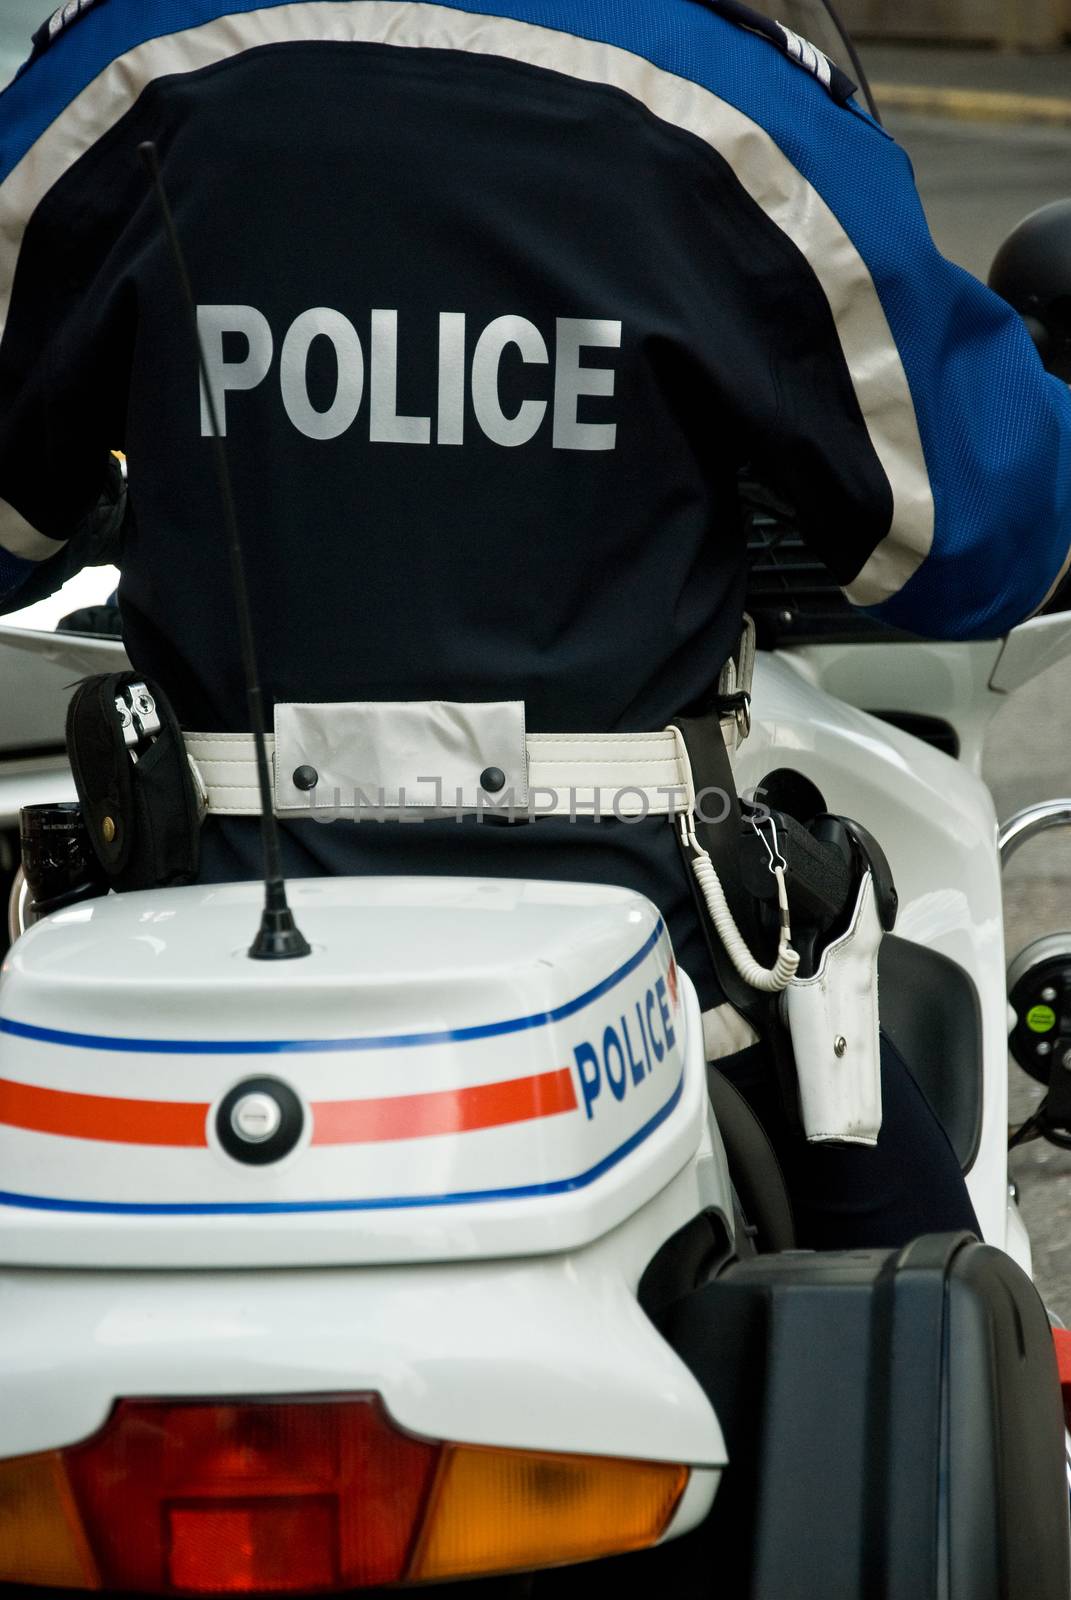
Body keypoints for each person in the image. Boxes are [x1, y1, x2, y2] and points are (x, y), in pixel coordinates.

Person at [0, 0, 1068, 1247]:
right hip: (646, 972)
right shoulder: (717, 94)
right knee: (932, 1334)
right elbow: (978, 535)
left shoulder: (124, 67)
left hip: (179, 963)